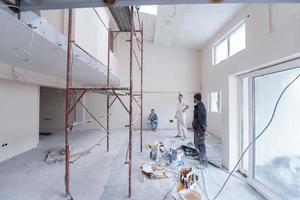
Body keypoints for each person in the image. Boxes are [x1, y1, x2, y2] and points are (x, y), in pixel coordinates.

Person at [192, 93, 208, 169]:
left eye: (194, 98)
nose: (193, 100)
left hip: (200, 130)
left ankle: (204, 163)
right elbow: (196, 118)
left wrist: (204, 130)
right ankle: (200, 157)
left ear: (196, 98)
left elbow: (202, 119)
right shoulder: (198, 106)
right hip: (196, 129)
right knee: (196, 143)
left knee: (201, 145)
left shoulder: (200, 107)